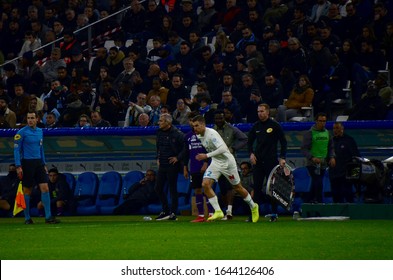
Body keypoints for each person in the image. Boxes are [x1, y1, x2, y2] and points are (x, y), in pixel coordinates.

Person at [190, 115, 259, 223]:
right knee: (205, 184)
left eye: (197, 126)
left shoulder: (211, 133)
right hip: (216, 162)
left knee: (237, 188)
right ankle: (218, 211)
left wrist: (206, 156)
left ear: (203, 124)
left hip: (228, 163)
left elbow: (223, 148)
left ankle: (253, 206)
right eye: (193, 126)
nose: (195, 128)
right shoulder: (199, 135)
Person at [13, 111, 60, 224]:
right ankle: (27, 218)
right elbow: (16, 150)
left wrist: (44, 164)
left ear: (37, 119)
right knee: (27, 191)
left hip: (38, 163)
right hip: (27, 163)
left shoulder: (40, 132)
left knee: (45, 188)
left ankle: (48, 217)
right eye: (28, 118)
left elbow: (41, 148)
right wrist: (18, 166)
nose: (30, 120)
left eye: (32, 118)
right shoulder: (21, 133)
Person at [247, 103, 287, 222]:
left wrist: (282, 157)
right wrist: (251, 153)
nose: (260, 113)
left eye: (262, 111)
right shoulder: (256, 126)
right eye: (258, 111)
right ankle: (254, 214)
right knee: (257, 188)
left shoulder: (274, 125)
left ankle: (274, 214)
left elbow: (283, 142)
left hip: (271, 161)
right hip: (258, 162)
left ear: (268, 112)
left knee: (272, 189)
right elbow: (249, 142)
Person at [213, 110, 248, 220]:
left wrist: (233, 148)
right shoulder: (212, 130)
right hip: (217, 162)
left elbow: (244, 138)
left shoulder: (231, 129)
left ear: (225, 118)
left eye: (221, 118)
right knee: (223, 188)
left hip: (229, 161)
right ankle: (225, 211)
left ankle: (229, 211)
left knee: (232, 186)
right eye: (217, 118)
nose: (219, 120)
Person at [183, 111, 214, 222]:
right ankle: (200, 215)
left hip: (207, 166)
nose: (192, 123)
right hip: (194, 167)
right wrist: (185, 167)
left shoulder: (206, 134)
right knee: (197, 191)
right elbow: (186, 153)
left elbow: (209, 150)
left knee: (207, 189)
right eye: (190, 120)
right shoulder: (187, 136)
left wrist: (206, 162)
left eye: (194, 121)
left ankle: (211, 214)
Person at [155, 113, 185, 221]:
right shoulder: (159, 132)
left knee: (172, 189)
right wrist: (157, 157)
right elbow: (158, 146)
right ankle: (165, 210)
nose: (159, 123)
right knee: (158, 187)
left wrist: (177, 158)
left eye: (161, 121)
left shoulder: (178, 134)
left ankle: (173, 213)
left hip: (172, 165)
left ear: (168, 123)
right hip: (162, 164)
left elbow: (185, 148)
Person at [301, 112, 336, 203]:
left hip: (323, 163)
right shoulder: (310, 133)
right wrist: (312, 158)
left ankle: (306, 203)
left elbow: (331, 146)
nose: (322, 123)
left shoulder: (327, 133)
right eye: (320, 121)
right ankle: (319, 202)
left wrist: (332, 157)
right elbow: (304, 149)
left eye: (324, 121)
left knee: (315, 184)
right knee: (318, 182)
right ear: (316, 121)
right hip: (312, 164)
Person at [330, 122, 360, 203]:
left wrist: (354, 176)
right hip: (334, 174)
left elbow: (356, 157)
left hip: (346, 175)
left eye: (337, 128)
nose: (335, 130)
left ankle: (351, 213)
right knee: (336, 196)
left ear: (342, 129)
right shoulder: (331, 141)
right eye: (334, 128)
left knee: (348, 194)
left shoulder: (349, 140)